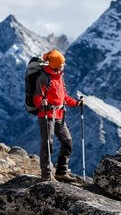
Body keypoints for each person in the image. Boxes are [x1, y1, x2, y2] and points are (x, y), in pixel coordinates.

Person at [32, 49, 83, 182]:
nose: (64, 65)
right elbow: (36, 98)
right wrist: (41, 102)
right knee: (47, 144)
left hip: (59, 114)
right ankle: (46, 174)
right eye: (62, 63)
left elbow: (63, 97)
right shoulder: (43, 78)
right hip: (47, 115)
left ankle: (61, 172)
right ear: (55, 64)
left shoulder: (59, 76)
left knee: (67, 142)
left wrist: (77, 103)